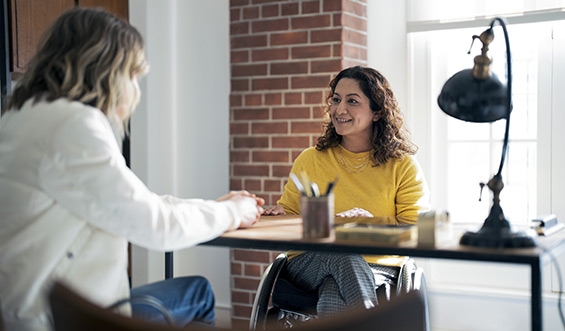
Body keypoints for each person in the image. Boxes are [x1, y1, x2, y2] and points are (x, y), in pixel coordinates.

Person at [0, 7, 264, 331]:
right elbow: (157, 226)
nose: (136, 89)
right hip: (68, 318)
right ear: (108, 69)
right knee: (198, 293)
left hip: (24, 307)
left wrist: (217, 207)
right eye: (134, 75)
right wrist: (234, 213)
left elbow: (139, 202)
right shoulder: (74, 125)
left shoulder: (20, 118)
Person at [263, 66, 430, 318]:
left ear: (377, 112)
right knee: (342, 254)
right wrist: (281, 213)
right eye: (336, 100)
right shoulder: (310, 159)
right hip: (309, 261)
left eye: (352, 101)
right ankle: (372, 323)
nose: (339, 110)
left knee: (333, 290)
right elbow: (293, 213)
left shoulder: (402, 165)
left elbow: (415, 229)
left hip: (379, 264)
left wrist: (365, 224)